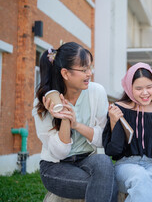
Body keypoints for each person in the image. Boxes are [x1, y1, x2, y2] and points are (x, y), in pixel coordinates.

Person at [32, 42, 118, 201]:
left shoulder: (96, 92)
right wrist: (65, 119)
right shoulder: (45, 102)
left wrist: (76, 125)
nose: (89, 73)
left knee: (104, 162)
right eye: (84, 69)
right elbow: (60, 152)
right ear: (65, 73)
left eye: (90, 68)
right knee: (106, 184)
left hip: (87, 159)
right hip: (55, 167)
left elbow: (102, 140)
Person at [102, 62, 152, 202]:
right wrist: (114, 122)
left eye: (149, 87)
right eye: (138, 88)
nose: (145, 93)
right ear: (129, 88)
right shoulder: (118, 109)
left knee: (146, 184)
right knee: (142, 178)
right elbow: (113, 150)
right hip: (125, 166)